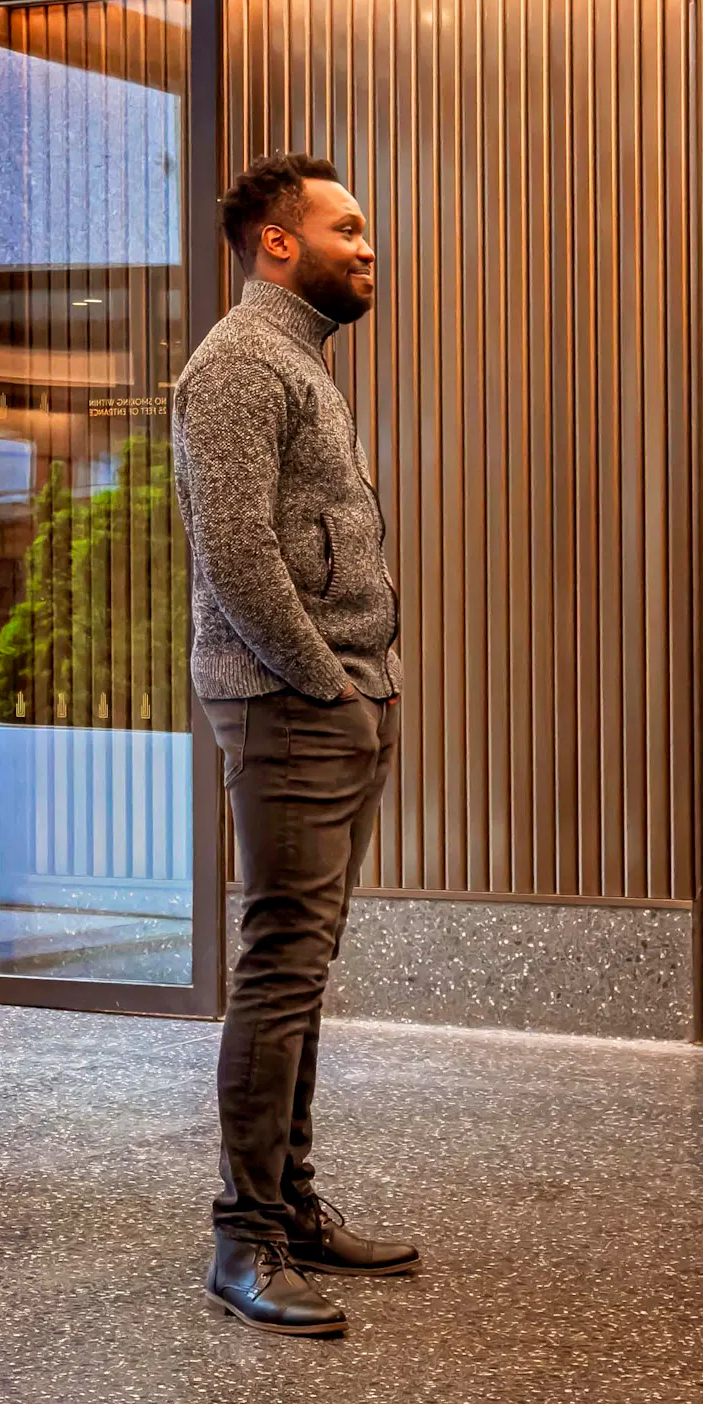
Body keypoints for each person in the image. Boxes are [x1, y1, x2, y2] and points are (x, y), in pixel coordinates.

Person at [169, 156, 418, 1338]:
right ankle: (245, 1238)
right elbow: (237, 553)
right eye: (346, 228)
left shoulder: (297, 360)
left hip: (335, 698)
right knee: (280, 967)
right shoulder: (237, 364)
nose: (368, 247)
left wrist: (361, 686)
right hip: (289, 703)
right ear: (279, 241)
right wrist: (327, 682)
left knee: (301, 967)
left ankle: (292, 1204)